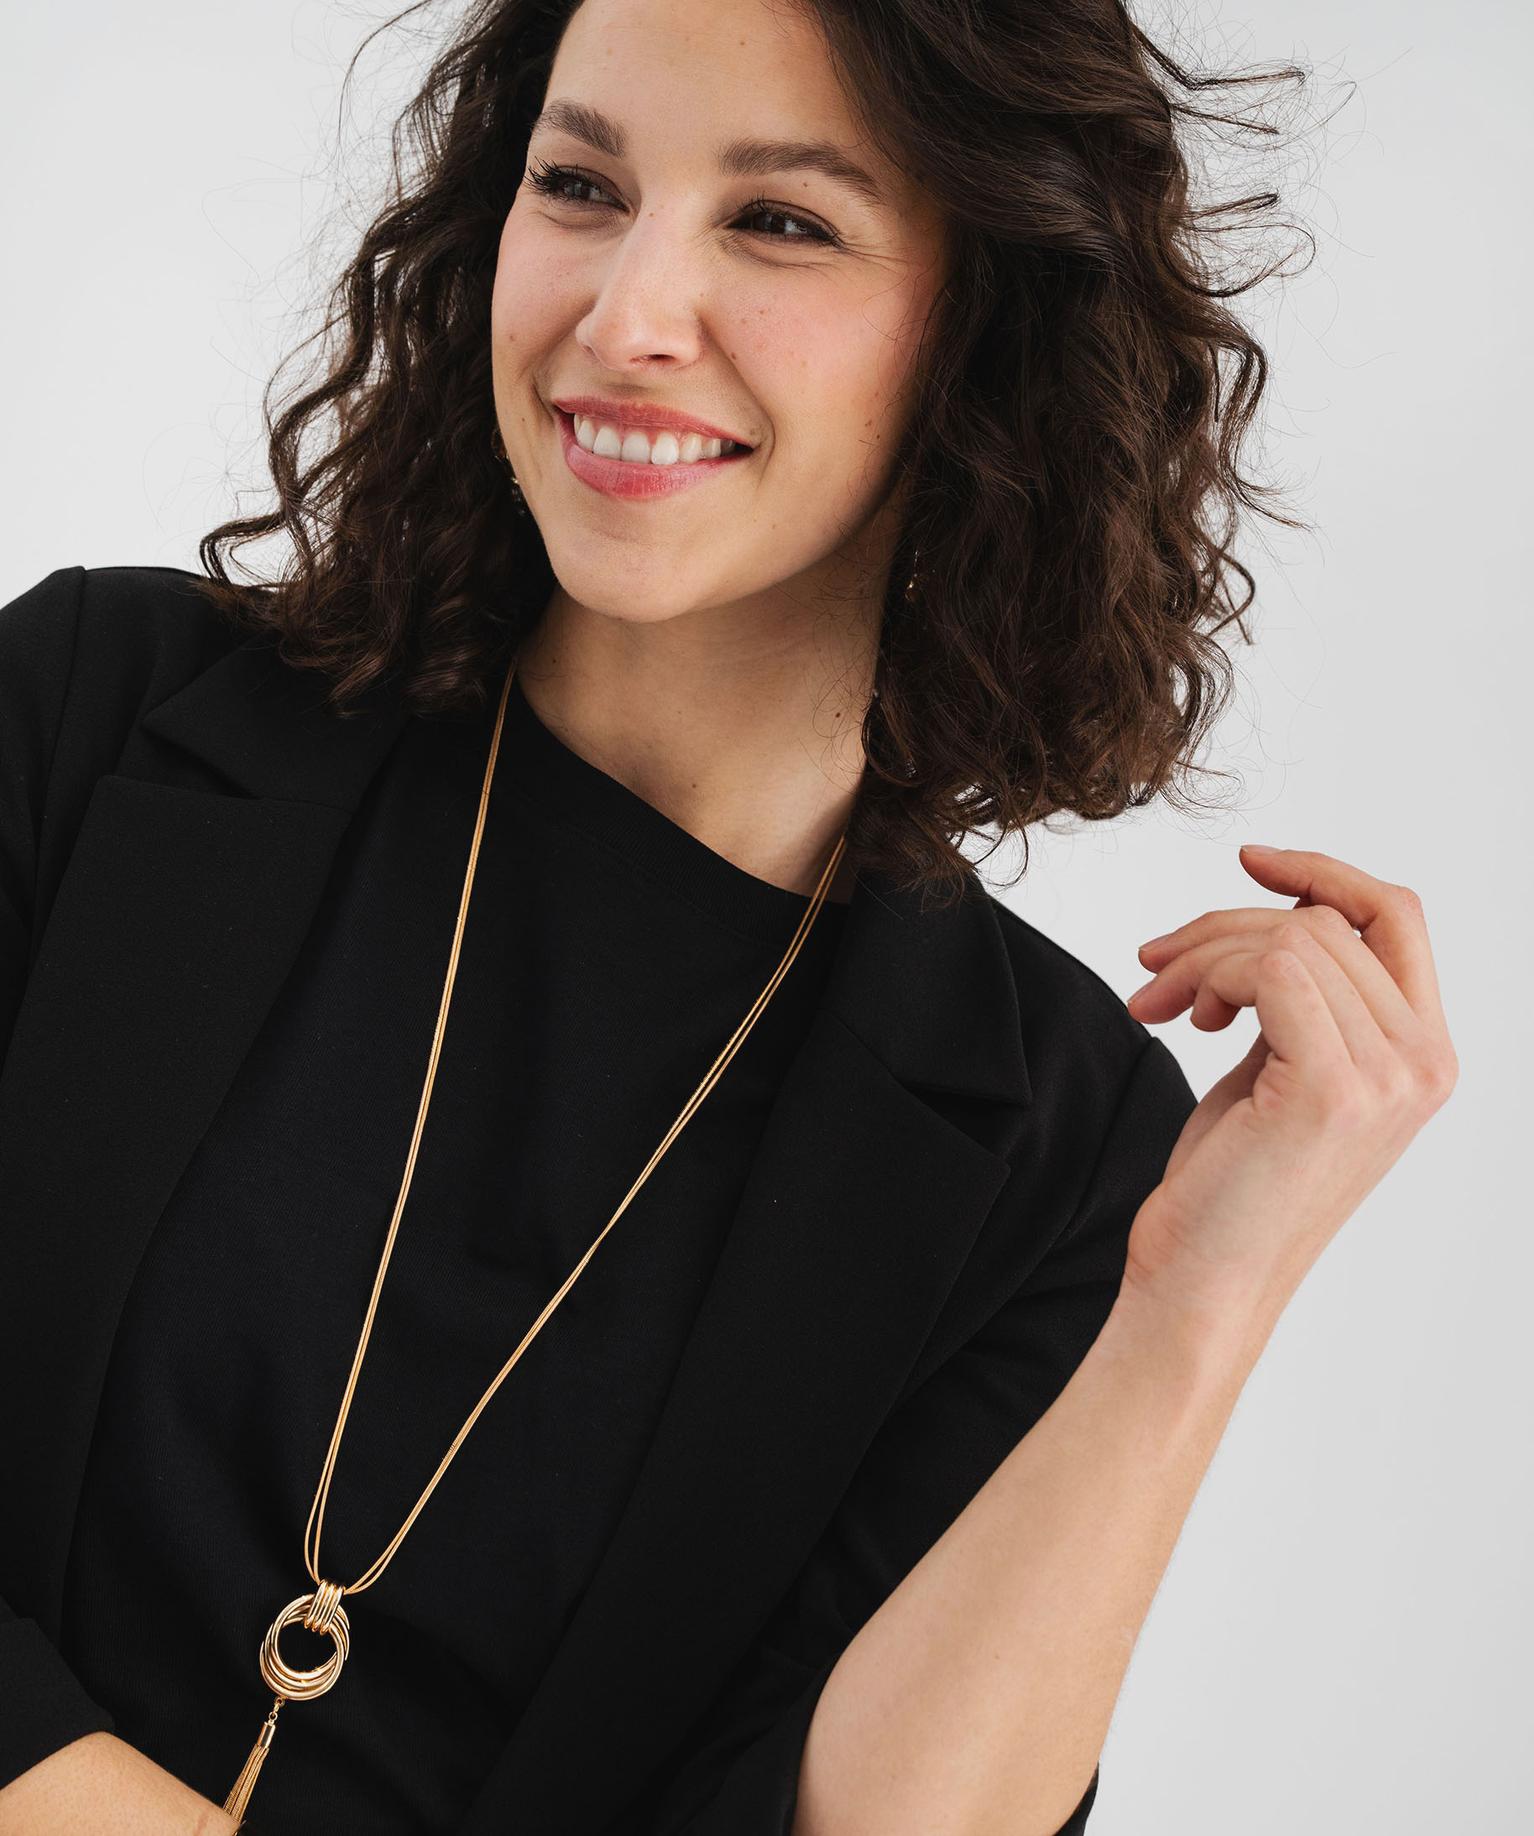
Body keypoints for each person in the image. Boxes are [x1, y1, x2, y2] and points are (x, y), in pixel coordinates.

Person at [0, 0, 1457, 1832]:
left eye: (779, 221)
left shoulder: (1055, 1148)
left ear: (990, 331)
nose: (625, 314)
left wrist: (1199, 1308)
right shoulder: (96, 715)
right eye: (579, 185)